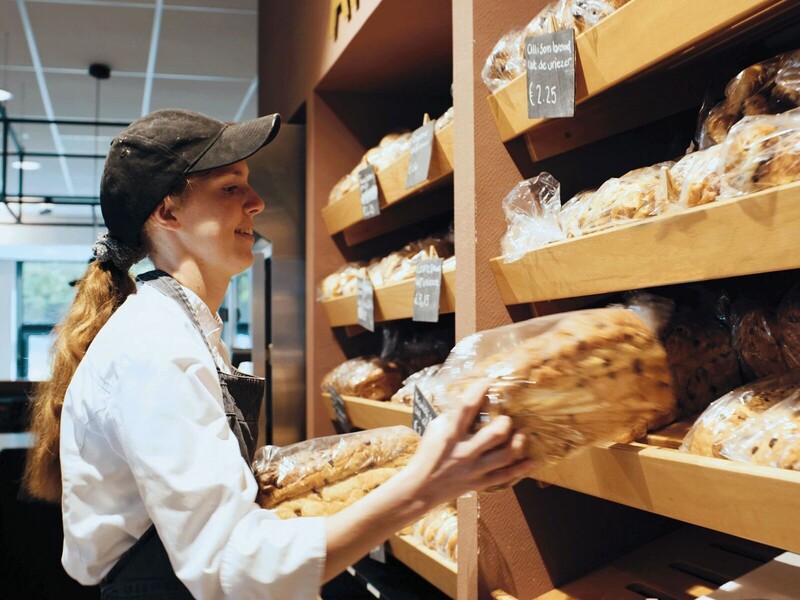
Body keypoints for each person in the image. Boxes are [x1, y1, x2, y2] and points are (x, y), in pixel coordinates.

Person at [23, 108, 533, 599]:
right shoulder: (155, 352)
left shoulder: (180, 330)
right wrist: (425, 487)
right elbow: (235, 569)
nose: (257, 202)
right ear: (167, 211)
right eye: (230, 188)